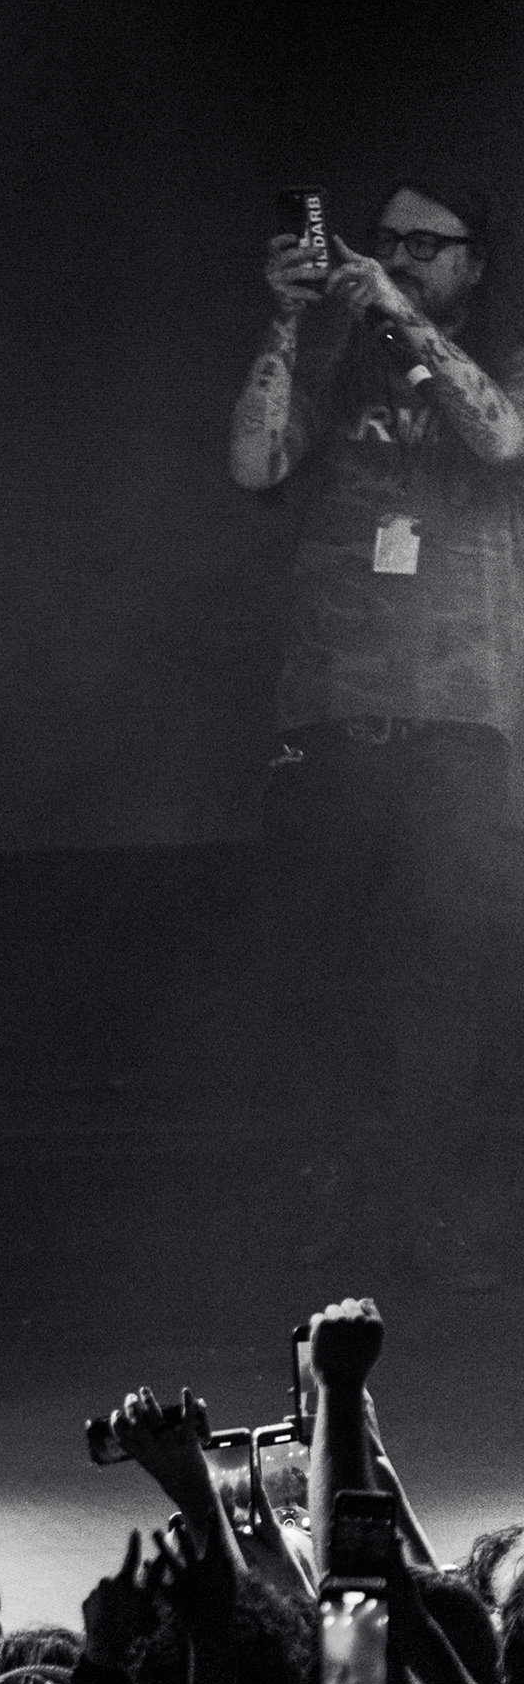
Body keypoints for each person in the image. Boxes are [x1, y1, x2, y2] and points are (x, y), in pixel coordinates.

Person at [228, 172, 524, 1280]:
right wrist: (290, 321)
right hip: (332, 717)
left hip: (458, 723)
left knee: (445, 983)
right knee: (317, 979)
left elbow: (502, 440)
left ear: (474, 263)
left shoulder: (502, 359)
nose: (398, 257)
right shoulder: (331, 355)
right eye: (387, 239)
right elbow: (255, 460)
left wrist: (395, 315)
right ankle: (326, 1217)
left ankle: (435, 1218)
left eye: (425, 244)